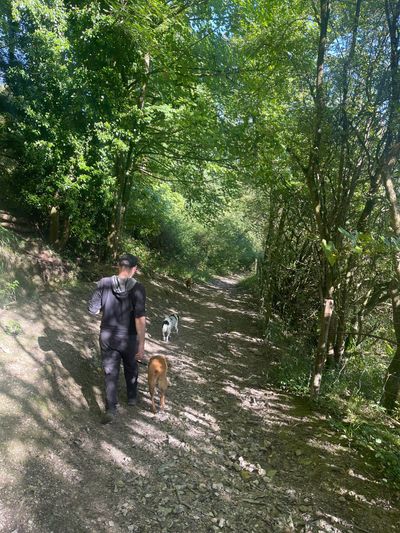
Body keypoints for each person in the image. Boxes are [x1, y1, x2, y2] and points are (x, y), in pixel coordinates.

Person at [88, 253, 146, 423]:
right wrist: (142, 344)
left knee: (110, 371)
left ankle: (111, 408)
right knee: (131, 365)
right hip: (129, 337)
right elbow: (139, 318)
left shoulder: (104, 283)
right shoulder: (138, 288)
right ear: (134, 269)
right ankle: (132, 397)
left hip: (107, 335)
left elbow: (93, 310)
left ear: (118, 267)